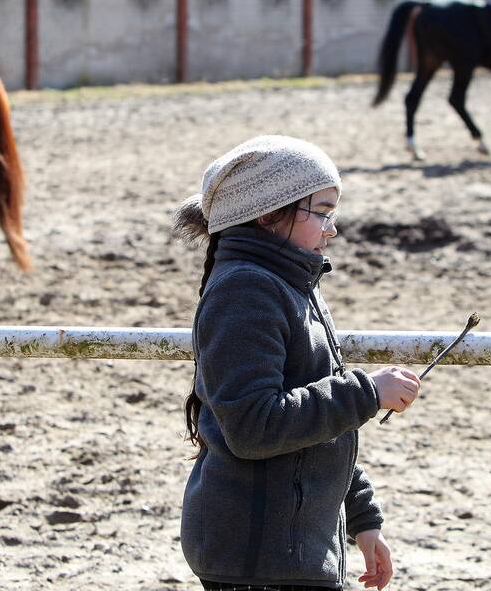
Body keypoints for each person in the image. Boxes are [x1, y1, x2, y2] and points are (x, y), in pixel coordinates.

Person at [173, 135, 422, 590]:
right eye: (322, 212)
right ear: (269, 213)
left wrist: (362, 518)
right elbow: (254, 426)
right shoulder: (246, 291)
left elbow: (316, 424)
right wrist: (367, 392)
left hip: (286, 552)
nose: (332, 229)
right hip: (255, 556)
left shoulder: (291, 284)